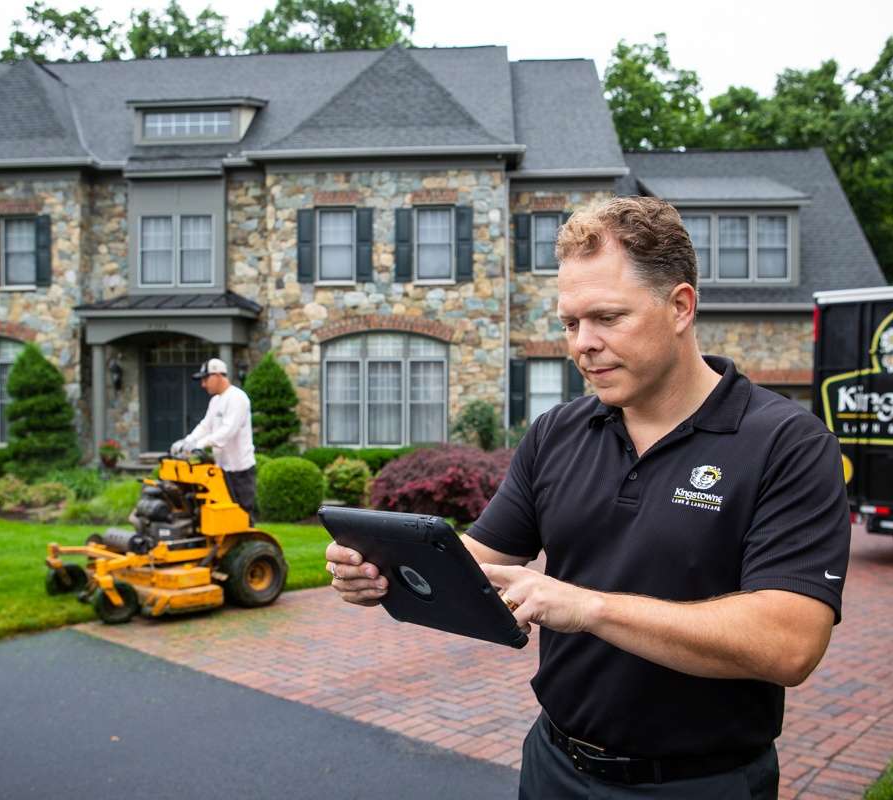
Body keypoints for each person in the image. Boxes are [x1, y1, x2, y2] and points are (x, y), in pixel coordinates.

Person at [326, 197, 850, 799]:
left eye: (607, 318)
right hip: (554, 766)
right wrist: (384, 570)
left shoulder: (787, 443)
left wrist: (589, 608)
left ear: (680, 306)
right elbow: (481, 559)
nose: (583, 344)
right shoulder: (559, 432)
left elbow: (790, 644)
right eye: (571, 323)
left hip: (699, 784)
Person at [172, 358, 258, 517]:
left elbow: (228, 431)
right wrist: (188, 441)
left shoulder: (237, 398)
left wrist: (200, 445)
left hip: (240, 471)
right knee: (223, 515)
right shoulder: (216, 401)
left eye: (206, 379)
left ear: (218, 375)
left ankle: (250, 543)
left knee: (242, 515)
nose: (203, 384)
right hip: (221, 469)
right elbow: (205, 426)